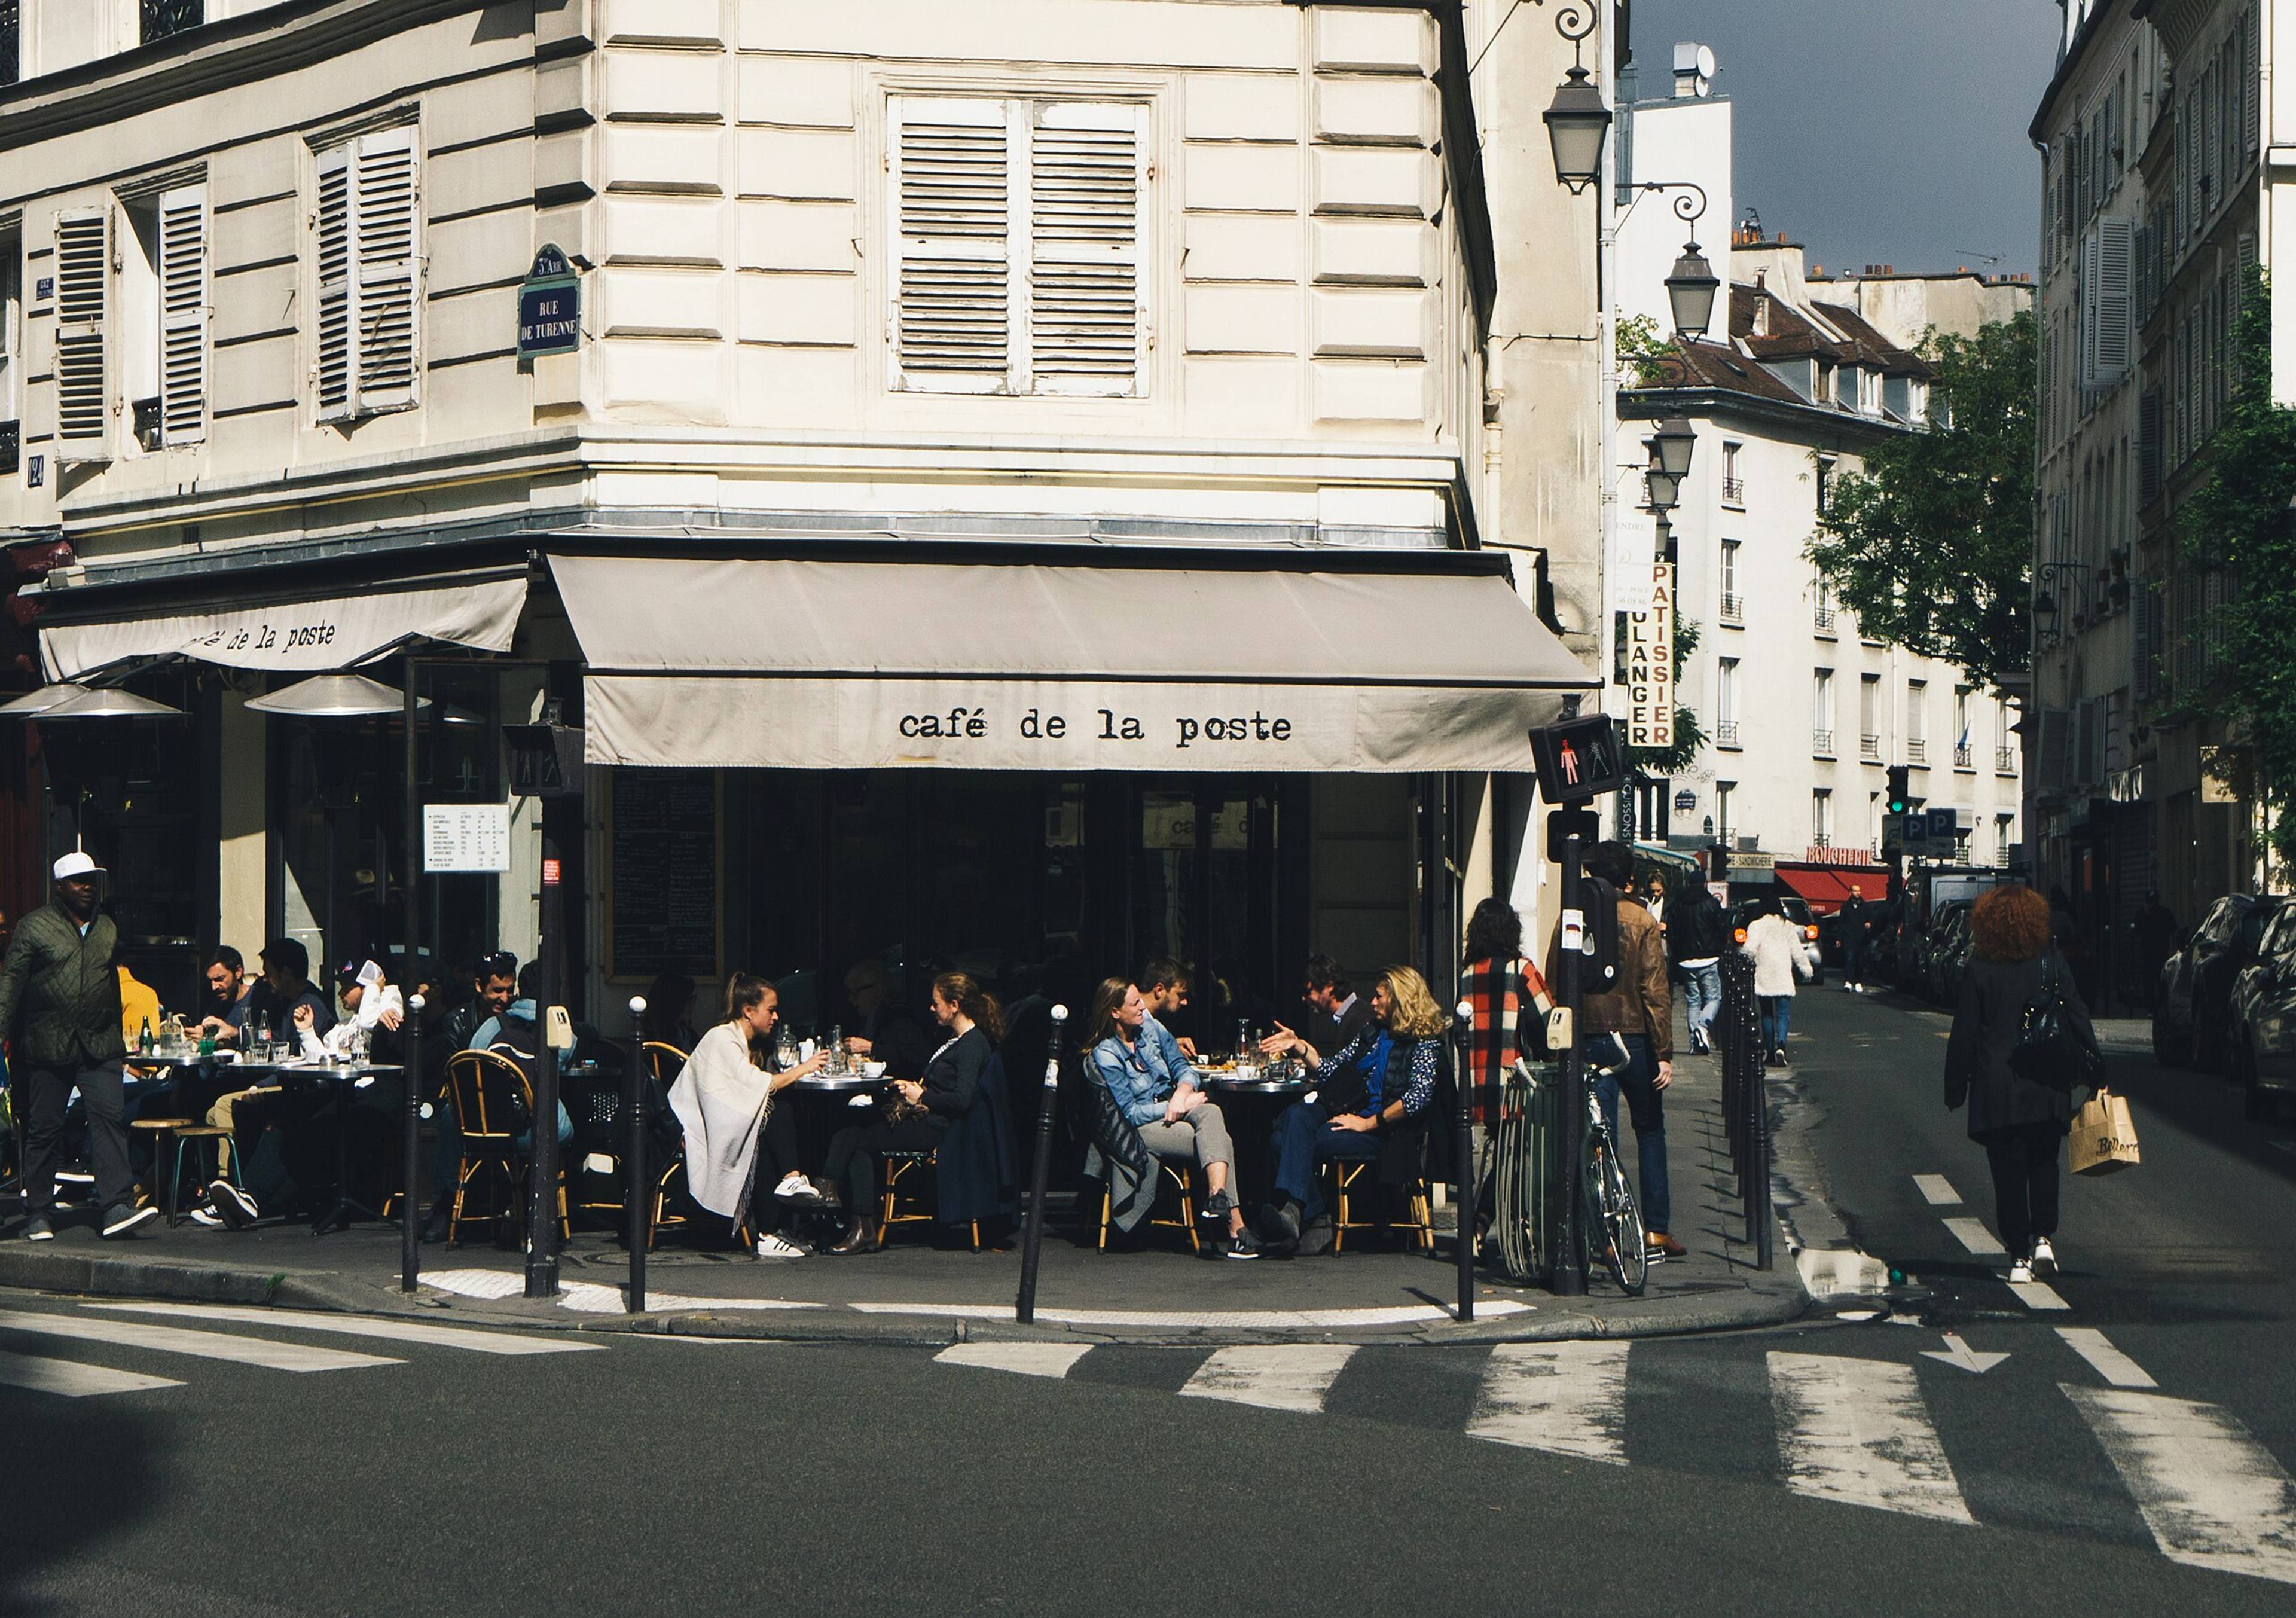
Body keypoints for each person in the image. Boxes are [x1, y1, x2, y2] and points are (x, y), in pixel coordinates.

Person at [0, 851, 157, 1240]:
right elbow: (12, 983)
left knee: (109, 1120)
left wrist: (117, 1034)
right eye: (79, 881)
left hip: (99, 1045)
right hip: (48, 1044)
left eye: (92, 880)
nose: (88, 887)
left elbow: (111, 983)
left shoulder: (107, 928)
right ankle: (39, 1210)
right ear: (60, 887)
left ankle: (116, 1205)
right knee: (45, 1129)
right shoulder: (34, 927)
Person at [1945, 884, 2095, 1283]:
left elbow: (1964, 1032)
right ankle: (2044, 1239)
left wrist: (1955, 1087)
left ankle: (2018, 1256)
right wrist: (2096, 1069)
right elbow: (2077, 1014)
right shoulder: (2051, 961)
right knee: (2044, 1162)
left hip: (1998, 1086)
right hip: (2047, 1081)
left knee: (2007, 1173)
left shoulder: (1980, 967)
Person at [1547, 841, 1682, 1260]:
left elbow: (1556, 975)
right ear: (1630, 880)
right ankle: (1655, 1229)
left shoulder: (1573, 915)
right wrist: (1664, 1051)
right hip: (1635, 1037)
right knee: (1650, 1130)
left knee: (1600, 1137)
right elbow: (1654, 990)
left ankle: (1604, 1233)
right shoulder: (1643, 921)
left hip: (1588, 1035)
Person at [1259, 966, 1445, 1254]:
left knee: (1284, 1140)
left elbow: (1418, 1097)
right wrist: (1299, 1046)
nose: (1373, 1002)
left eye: (1379, 996)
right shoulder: (1374, 1033)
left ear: (1400, 1000)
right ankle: (1303, 1214)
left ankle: (1307, 1216)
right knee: (1295, 1117)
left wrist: (1368, 1123)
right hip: (1352, 1112)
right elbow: (1332, 1068)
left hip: (1385, 1131)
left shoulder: (1424, 1042)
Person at [820, 971, 999, 1255]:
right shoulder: (955, 1039)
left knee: (857, 1139)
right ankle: (845, 1204)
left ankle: (849, 1209)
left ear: (954, 1006)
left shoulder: (971, 1044)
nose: (931, 1009)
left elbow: (963, 1099)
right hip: (928, 1118)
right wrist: (914, 1089)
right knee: (853, 1124)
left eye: (936, 1003)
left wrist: (922, 1096)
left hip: (939, 1128)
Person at [1086, 977, 1258, 1258]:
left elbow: (1181, 1065)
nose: (1143, 1007)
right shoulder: (1107, 1055)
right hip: (1143, 1127)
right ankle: (1235, 1227)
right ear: (1115, 1012)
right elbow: (1131, 1113)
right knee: (1220, 1142)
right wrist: (1174, 1107)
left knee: (1211, 1112)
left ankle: (1217, 1197)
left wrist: (1183, 1092)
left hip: (1174, 1105)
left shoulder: (1150, 1027)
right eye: (1135, 1003)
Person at [667, 975, 831, 1258]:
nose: (776, 1017)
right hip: (697, 1128)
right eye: (771, 1010)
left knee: (765, 1121)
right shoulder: (722, 1039)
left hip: (720, 1118)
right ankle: (783, 1199)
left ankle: (773, 1227)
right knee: (771, 1112)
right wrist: (803, 1069)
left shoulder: (747, 1042)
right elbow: (756, 1087)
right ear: (748, 1011)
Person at [1458, 900, 1553, 1232]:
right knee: (1515, 1158)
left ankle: (1493, 1222)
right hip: (1516, 1082)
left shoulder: (1468, 974)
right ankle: (1484, 1221)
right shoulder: (1521, 970)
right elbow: (1547, 1023)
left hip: (1480, 1082)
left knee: (1505, 1152)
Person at [1260, 955, 1370, 1066]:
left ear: (1329, 986)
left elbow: (1345, 1071)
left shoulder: (1361, 1019)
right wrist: (1308, 1056)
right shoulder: (1350, 1015)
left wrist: (1300, 1047)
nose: (1303, 999)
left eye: (1307, 992)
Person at [1742, 896, 1812, 1066]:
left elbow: (1750, 949)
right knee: (1783, 1014)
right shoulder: (1787, 926)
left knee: (1767, 1014)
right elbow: (1797, 951)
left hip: (1764, 973)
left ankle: (1770, 1051)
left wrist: (1744, 961)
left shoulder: (1756, 925)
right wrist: (1806, 968)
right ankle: (1781, 1045)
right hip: (1783, 973)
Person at [841, 959, 932, 1080]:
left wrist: (870, 1048)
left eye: (856, 992)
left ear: (878, 991)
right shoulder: (865, 1018)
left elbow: (917, 1056)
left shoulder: (899, 1018)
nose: (851, 999)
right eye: (849, 993)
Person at [1666, 882, 1729, 1056]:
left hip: (1686, 960)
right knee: (1714, 998)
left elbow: (1671, 932)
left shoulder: (1678, 905)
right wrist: (1719, 946)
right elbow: (1722, 928)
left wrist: (1678, 953)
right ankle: (1702, 1026)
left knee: (1693, 1001)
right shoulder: (1711, 903)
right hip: (1709, 958)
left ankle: (1695, 1043)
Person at [194, 946, 260, 1047]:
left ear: (238, 972)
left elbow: (274, 1040)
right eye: (211, 981)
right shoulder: (216, 1008)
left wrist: (235, 1033)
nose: (214, 987)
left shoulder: (260, 1000)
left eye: (220, 979)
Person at [1138, 957, 1198, 1060]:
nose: (1185, 1002)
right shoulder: (1132, 1019)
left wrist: (1170, 1045)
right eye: (1181, 995)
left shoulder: (1152, 1022)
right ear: (1159, 990)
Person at [640, 972, 701, 1054]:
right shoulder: (652, 1037)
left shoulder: (687, 1033)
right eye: (688, 1000)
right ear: (674, 1003)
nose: (692, 1005)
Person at [1839, 884, 1870, 993]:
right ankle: (1848, 982)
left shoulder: (1865, 906)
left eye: (1859, 891)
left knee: (1860, 961)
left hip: (1861, 938)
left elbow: (1871, 918)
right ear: (1850, 892)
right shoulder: (1846, 906)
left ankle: (1858, 982)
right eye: (1855, 891)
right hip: (1849, 938)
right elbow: (1841, 922)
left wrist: (1869, 924)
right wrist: (1839, 938)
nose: (1858, 893)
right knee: (1849, 960)